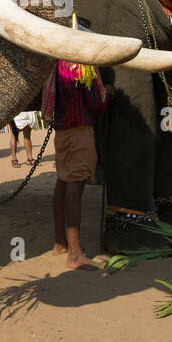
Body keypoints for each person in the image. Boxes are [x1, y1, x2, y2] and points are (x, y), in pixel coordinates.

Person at [40, 60, 107, 271]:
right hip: (80, 132)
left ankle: (60, 243)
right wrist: (109, 93)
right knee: (75, 187)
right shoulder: (81, 65)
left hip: (61, 133)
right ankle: (75, 254)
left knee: (62, 182)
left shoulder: (56, 65)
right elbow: (96, 102)